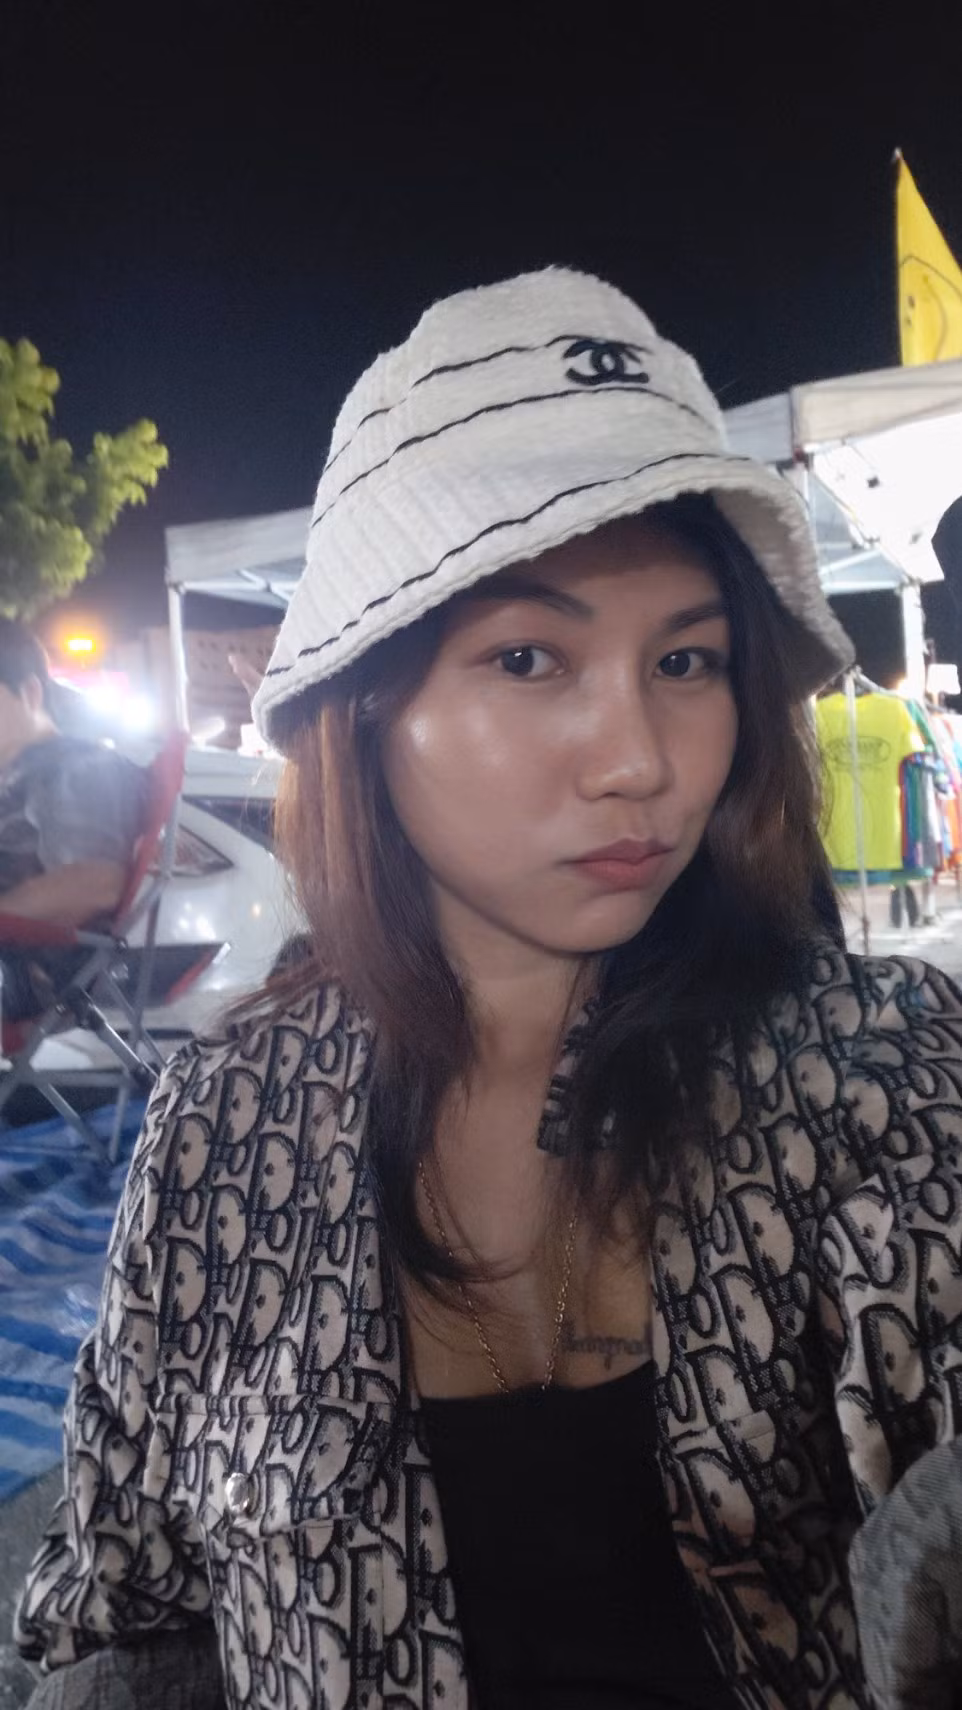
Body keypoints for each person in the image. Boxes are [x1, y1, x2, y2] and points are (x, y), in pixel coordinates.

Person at [14, 269, 962, 1710]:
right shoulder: (222, 1131)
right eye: (528, 657)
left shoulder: (871, 1069)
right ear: (364, 706)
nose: (637, 758)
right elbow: (120, 1612)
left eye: (685, 660)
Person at [0, 620, 146, 1020]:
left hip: (23, 973)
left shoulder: (76, 766)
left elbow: (96, 883)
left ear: (30, 693)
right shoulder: (19, 773)